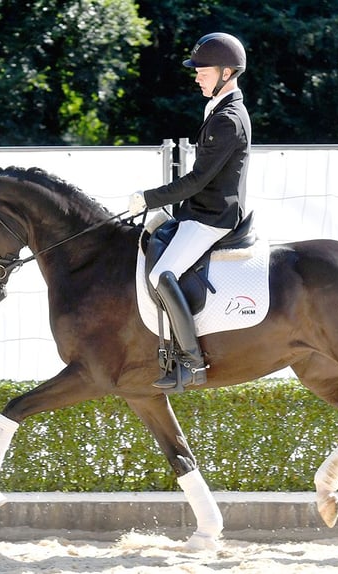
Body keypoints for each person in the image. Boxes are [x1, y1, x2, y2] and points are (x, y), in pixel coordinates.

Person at [127, 32, 251, 390]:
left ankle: (192, 362)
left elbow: (197, 180)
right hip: (199, 210)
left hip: (213, 218)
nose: (197, 76)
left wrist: (149, 198)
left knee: (161, 274)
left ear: (227, 73)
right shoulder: (218, 109)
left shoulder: (229, 119)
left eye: (203, 71)